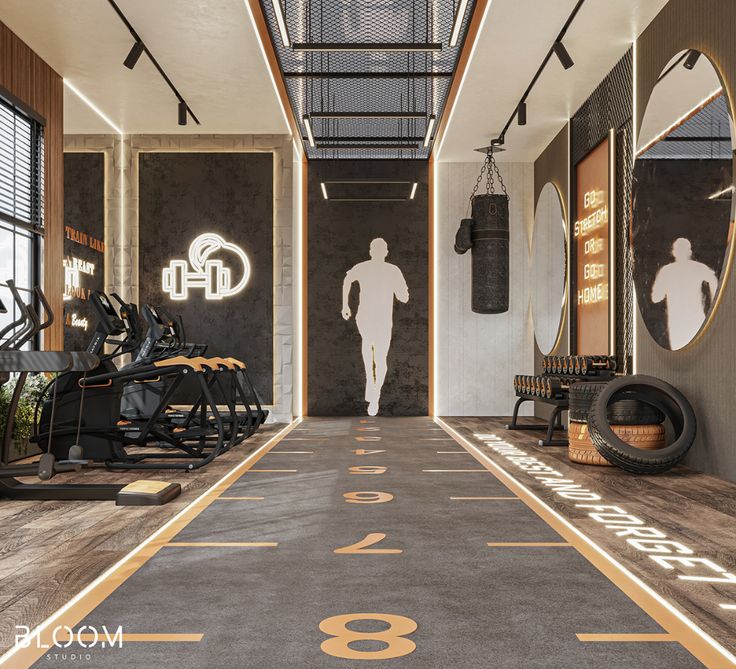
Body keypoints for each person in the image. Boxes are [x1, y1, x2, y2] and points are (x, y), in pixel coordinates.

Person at [342, 238, 409, 416]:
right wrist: (345, 305)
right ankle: (374, 389)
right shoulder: (390, 270)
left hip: (373, 318)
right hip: (373, 317)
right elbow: (404, 297)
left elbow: (347, 279)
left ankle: (373, 388)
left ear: (372, 252)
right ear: (385, 252)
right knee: (378, 356)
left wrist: (345, 305)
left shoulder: (378, 269)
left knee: (373, 352)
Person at [651, 237, 718, 350]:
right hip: (695, 321)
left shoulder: (667, 271)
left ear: (673, 252)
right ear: (689, 252)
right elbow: (714, 280)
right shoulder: (698, 267)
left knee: (681, 359)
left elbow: (656, 297)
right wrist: (714, 304)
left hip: (678, 323)